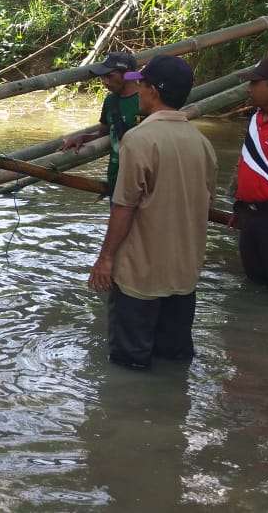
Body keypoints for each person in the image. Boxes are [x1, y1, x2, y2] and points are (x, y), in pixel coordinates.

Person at [87, 55, 217, 369]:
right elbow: (206, 206)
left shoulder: (140, 139)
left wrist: (106, 258)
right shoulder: (202, 144)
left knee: (129, 364)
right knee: (173, 361)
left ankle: (131, 417)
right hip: (184, 276)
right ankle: (171, 414)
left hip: (140, 277)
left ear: (153, 92)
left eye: (142, 84)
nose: (139, 90)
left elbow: (125, 206)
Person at [60, 51, 142, 196]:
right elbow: (105, 133)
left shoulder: (147, 99)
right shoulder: (110, 101)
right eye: (102, 77)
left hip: (144, 182)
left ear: (129, 75)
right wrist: (83, 138)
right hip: (117, 182)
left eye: (110, 76)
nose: (105, 82)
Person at [230, 56, 268, 286]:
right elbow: (247, 163)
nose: (248, 89)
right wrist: (239, 204)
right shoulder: (255, 119)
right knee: (254, 281)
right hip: (251, 215)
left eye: (255, 84)